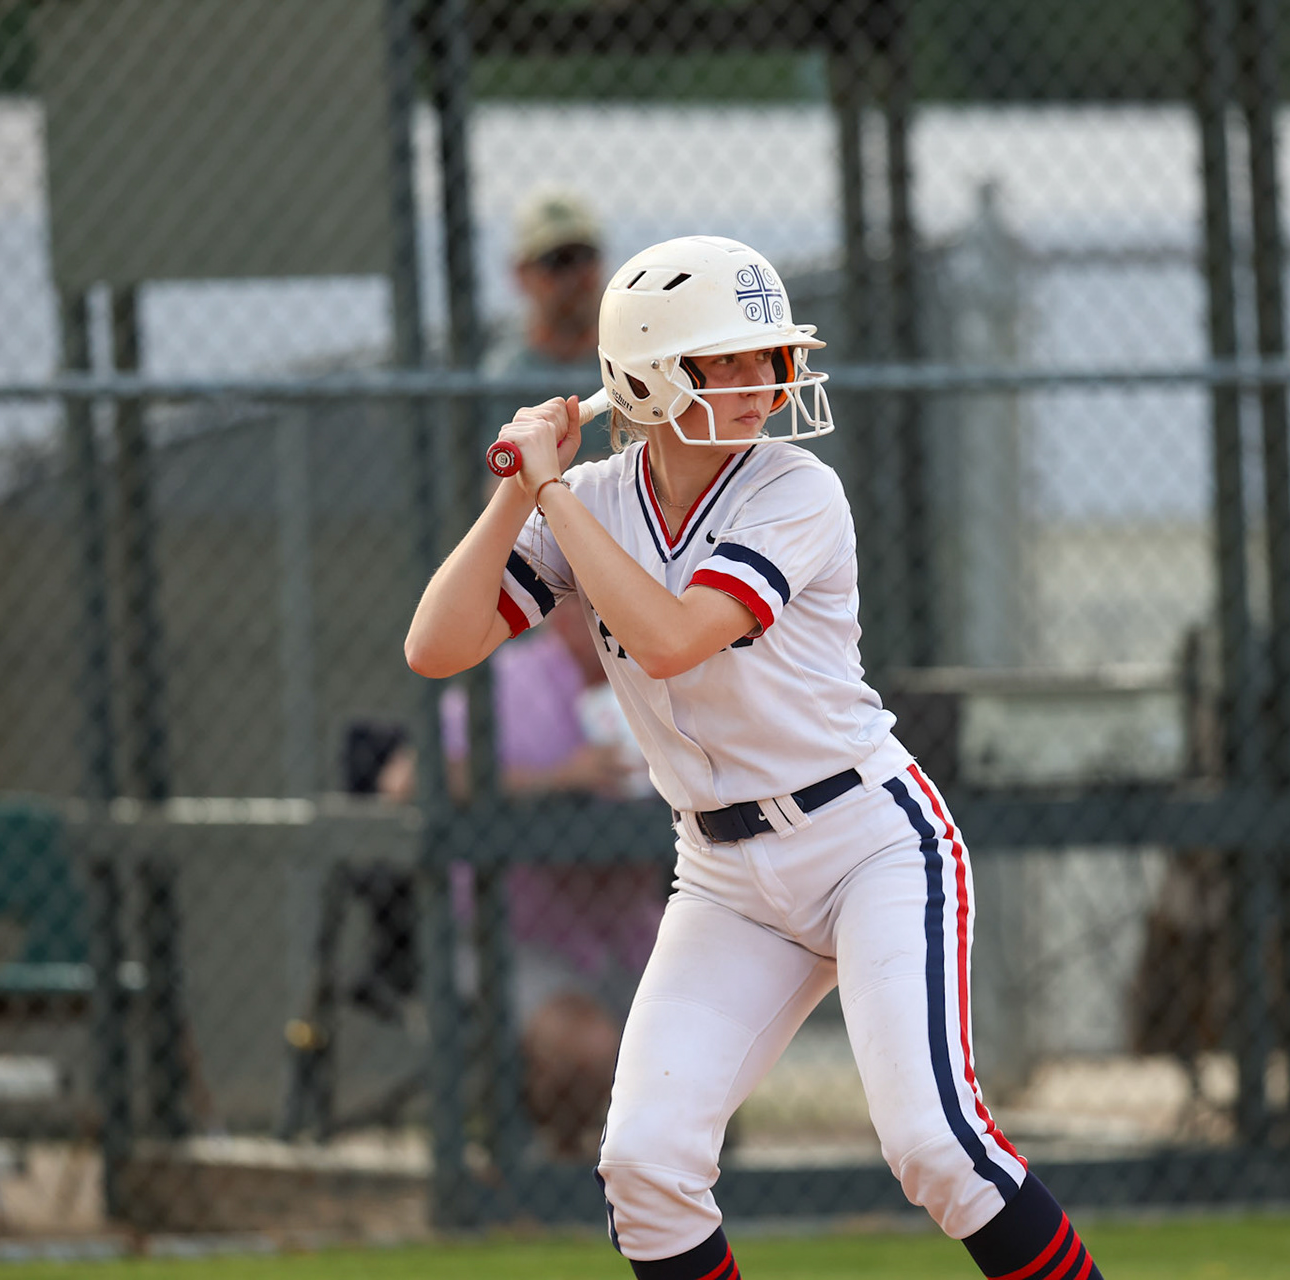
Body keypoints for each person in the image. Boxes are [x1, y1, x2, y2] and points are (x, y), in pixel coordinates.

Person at [406, 236, 1104, 1280]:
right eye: (723, 361)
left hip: (868, 839)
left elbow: (673, 635)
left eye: (765, 357)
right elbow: (436, 645)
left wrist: (554, 498)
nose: (759, 382)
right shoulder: (594, 498)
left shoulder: (796, 488)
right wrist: (519, 490)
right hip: (725, 872)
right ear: (646, 375)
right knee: (644, 1163)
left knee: (934, 1146)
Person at [440, 610, 663, 1160]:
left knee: (711, 1031)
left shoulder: (668, 672)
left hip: (638, 935)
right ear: (561, 614)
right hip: (519, 939)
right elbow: (411, 778)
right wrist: (557, 779)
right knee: (585, 1047)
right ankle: (559, 1173)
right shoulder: (507, 680)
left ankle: (665, 1179)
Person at [485, 187, 611, 467]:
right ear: (521, 273)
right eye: (558, 260)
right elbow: (494, 487)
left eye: (585, 257)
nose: (575, 275)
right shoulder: (505, 375)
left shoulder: (630, 363)